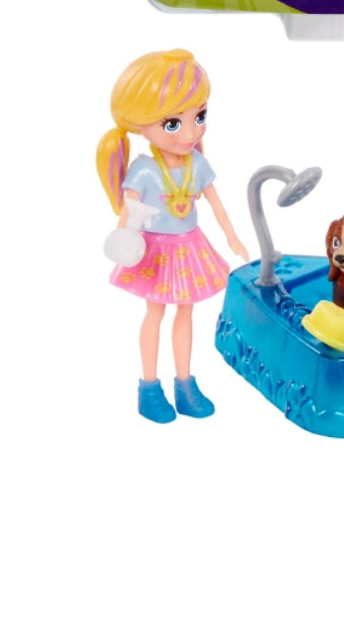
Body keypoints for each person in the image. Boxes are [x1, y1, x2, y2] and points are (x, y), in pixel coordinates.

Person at [96, 49, 248, 422]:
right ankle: (149, 387)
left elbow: (215, 202)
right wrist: (122, 241)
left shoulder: (197, 163)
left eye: (200, 116)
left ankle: (185, 384)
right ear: (139, 123)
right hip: (155, 250)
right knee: (155, 313)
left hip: (189, 246)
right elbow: (128, 212)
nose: (191, 132)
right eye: (173, 123)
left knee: (186, 313)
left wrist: (232, 237)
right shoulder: (145, 170)